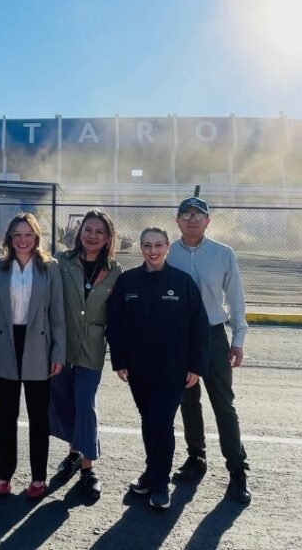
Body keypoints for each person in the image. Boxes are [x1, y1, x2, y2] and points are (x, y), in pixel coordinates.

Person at [107, 227, 209, 510]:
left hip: (173, 371)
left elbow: (199, 328)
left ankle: (160, 484)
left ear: (168, 247)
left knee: (161, 423)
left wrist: (196, 366)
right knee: (148, 421)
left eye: (159, 245)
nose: (153, 250)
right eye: (148, 245)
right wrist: (119, 360)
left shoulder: (183, 282)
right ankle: (151, 473)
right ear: (141, 248)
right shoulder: (128, 282)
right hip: (138, 371)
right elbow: (115, 325)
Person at [166, 196, 252, 504]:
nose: (191, 219)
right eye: (185, 214)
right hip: (179, 339)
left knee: (223, 404)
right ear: (177, 221)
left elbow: (236, 297)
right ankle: (196, 457)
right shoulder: (167, 252)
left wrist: (238, 339)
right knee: (188, 401)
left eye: (198, 215)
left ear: (207, 221)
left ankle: (237, 469)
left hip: (214, 336)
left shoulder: (223, 253)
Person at [0, 212, 65, 499]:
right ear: (10, 239)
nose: (23, 239)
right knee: (7, 417)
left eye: (28, 234)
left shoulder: (50, 268)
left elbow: (57, 316)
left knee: (39, 417)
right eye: (17, 234)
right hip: (6, 345)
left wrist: (58, 353)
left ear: (36, 237)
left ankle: (38, 478)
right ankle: (5, 475)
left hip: (39, 347)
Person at [49, 209, 123, 499]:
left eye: (99, 232)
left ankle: (88, 469)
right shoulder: (60, 262)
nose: (92, 236)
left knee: (85, 403)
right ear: (80, 232)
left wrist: (121, 355)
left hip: (91, 348)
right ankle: (74, 453)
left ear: (107, 239)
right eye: (88, 230)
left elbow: (119, 317)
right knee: (64, 403)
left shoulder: (115, 271)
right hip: (60, 345)